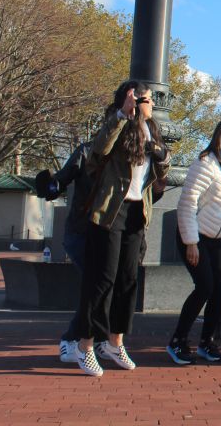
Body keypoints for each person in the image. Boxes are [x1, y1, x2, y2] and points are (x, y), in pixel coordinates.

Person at [73, 81, 170, 376]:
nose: (152, 104)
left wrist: (163, 156)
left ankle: (115, 342)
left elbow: (159, 172)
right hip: (109, 211)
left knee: (128, 280)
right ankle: (84, 346)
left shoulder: (152, 129)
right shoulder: (115, 123)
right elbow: (98, 152)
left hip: (136, 213)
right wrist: (121, 116)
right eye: (148, 100)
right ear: (132, 101)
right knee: (102, 280)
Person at [167, 117, 221, 365]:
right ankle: (178, 341)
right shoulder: (205, 163)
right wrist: (191, 242)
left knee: (220, 290)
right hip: (196, 235)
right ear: (220, 135)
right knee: (205, 286)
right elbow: (187, 203)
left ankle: (207, 343)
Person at [36, 141, 93, 363]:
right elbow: (61, 180)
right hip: (82, 231)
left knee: (104, 289)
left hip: (109, 233)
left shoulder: (132, 150)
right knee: (95, 288)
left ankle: (91, 339)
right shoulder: (87, 151)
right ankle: (71, 339)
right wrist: (50, 186)